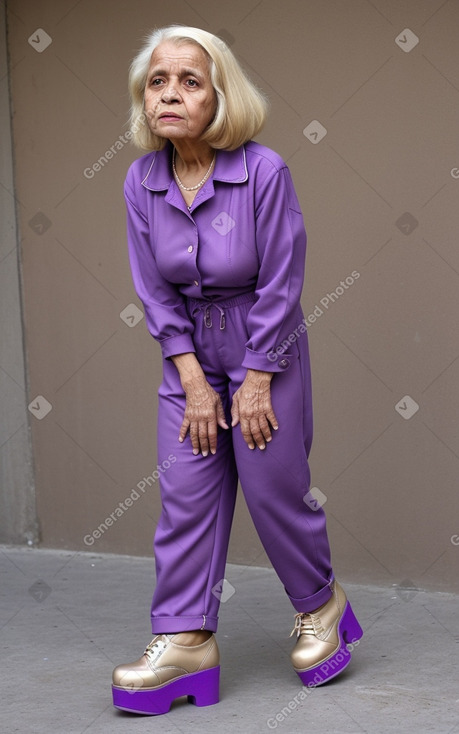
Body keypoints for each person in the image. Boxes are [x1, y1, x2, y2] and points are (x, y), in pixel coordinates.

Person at [112, 25, 363, 716]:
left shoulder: (264, 171)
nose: (170, 93)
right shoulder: (141, 180)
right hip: (188, 353)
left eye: (189, 81)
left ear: (220, 96)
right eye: (158, 81)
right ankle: (184, 638)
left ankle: (322, 606)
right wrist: (193, 380)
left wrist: (255, 378)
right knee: (186, 492)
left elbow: (282, 282)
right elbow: (153, 291)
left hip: (262, 342)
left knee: (271, 485)